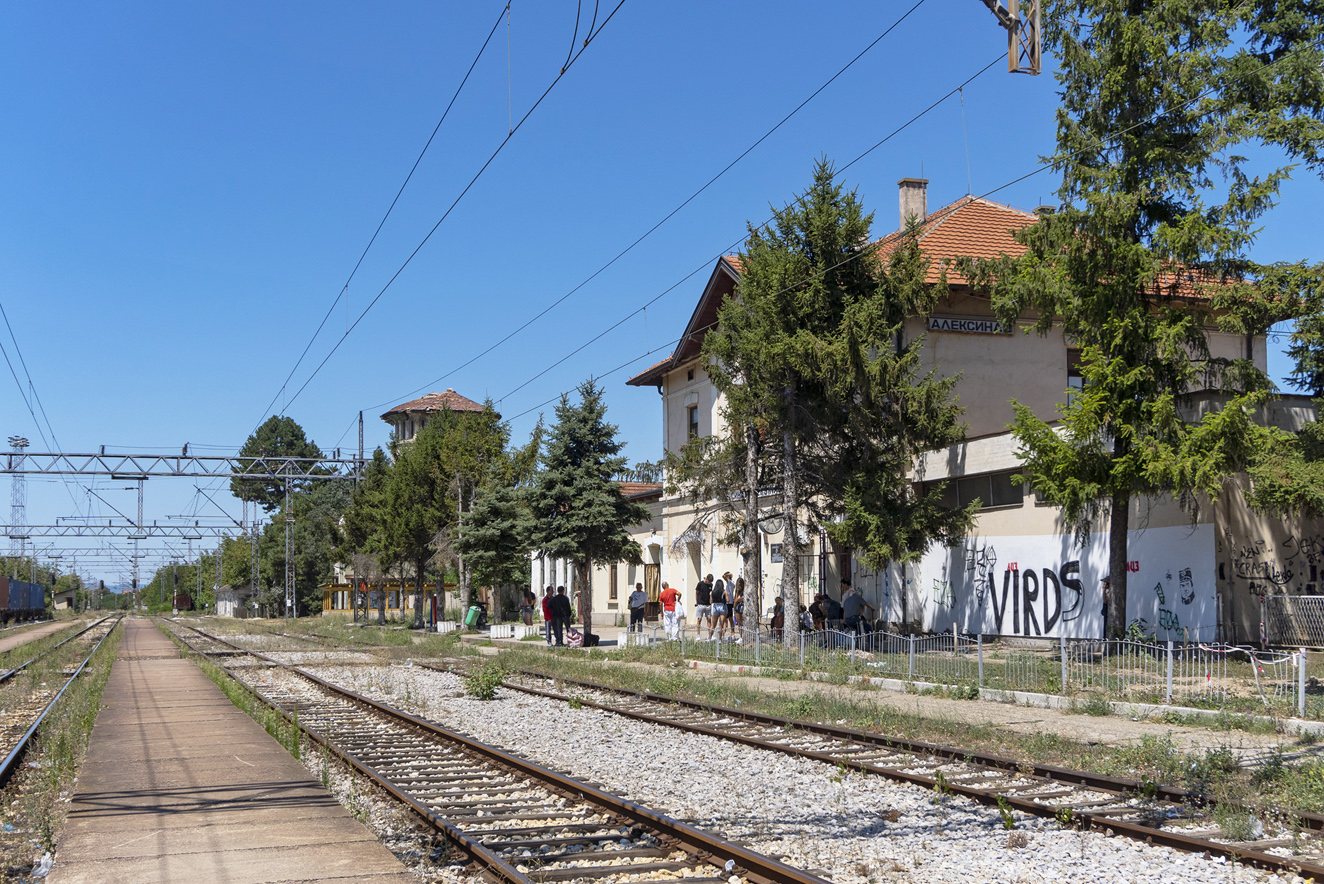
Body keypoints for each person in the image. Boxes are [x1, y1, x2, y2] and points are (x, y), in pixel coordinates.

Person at [694, 574, 714, 639]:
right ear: (706, 579)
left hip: (708, 604)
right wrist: (697, 602)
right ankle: (698, 635)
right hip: (701, 604)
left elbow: (710, 594)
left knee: (709, 619)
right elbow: (696, 592)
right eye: (709, 581)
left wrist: (711, 601)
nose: (710, 583)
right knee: (699, 619)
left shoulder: (710, 585)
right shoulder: (700, 584)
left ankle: (710, 635)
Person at [711, 572, 729, 640]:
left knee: (713, 624)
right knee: (721, 624)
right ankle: (720, 638)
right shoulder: (724, 591)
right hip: (722, 606)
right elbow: (728, 600)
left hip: (715, 606)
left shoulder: (713, 592)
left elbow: (711, 601)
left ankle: (710, 637)